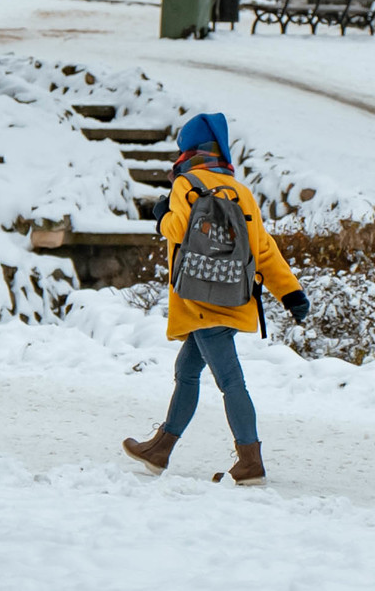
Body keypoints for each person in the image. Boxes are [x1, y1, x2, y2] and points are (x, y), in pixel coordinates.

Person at [122, 112, 311, 486]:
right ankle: (160, 449)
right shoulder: (241, 192)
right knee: (188, 371)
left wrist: (161, 216)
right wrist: (291, 292)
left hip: (199, 300)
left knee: (230, 380)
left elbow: (176, 230)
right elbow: (264, 249)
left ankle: (250, 460)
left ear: (188, 150)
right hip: (233, 293)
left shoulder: (186, 184)